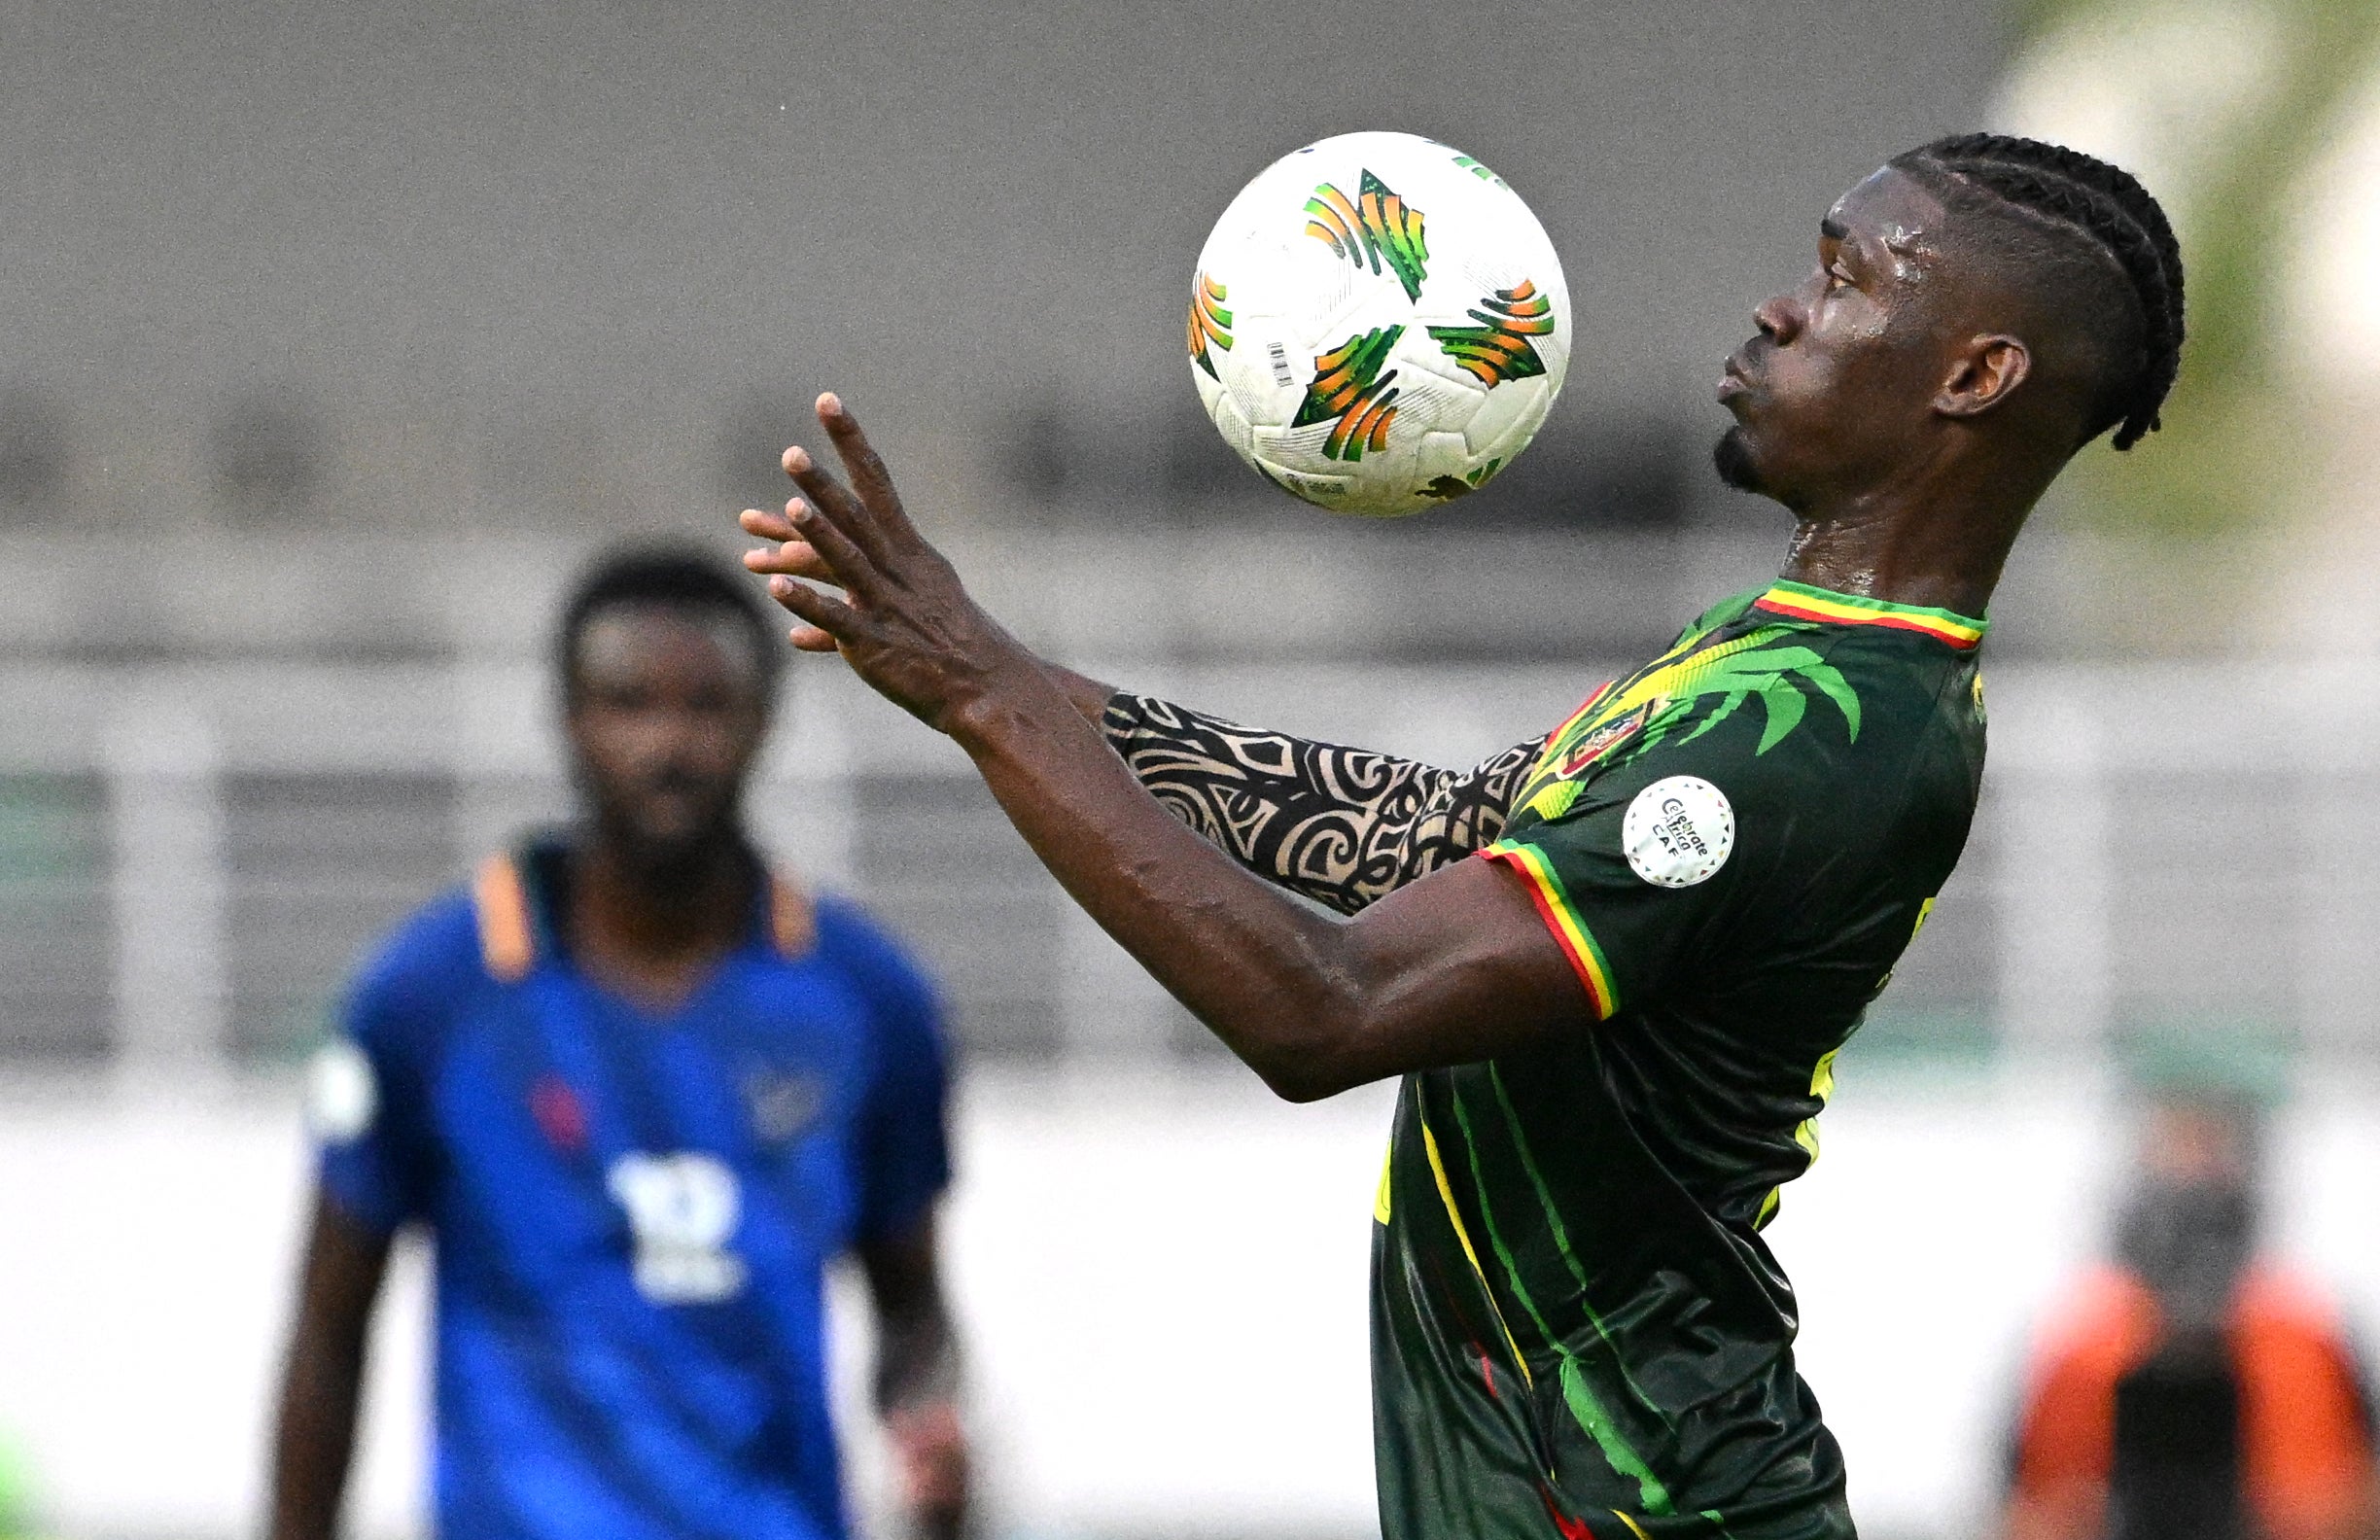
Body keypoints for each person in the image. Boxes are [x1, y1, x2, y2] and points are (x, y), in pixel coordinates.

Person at [737, 131, 2186, 1538]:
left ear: (1976, 375)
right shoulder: (1773, 662)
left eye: (1844, 276)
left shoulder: (1813, 733)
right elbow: (1431, 836)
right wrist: (986, 664)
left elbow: (1328, 1009)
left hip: (1636, 1500)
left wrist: (989, 698)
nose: (1781, 306)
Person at [267, 547, 967, 1540]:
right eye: (629, 703)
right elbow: (331, 1328)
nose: (668, 745)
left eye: (707, 705)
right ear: (567, 718)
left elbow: (914, 1311)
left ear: (765, 719)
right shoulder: (429, 996)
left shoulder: (866, 999)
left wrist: (927, 1423)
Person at [2003, 1093, 2378, 1540]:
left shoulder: (2300, 1337)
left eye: (2208, 1151)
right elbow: (2035, 1506)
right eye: (2175, 1151)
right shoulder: (2086, 1342)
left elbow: (2347, 1498)